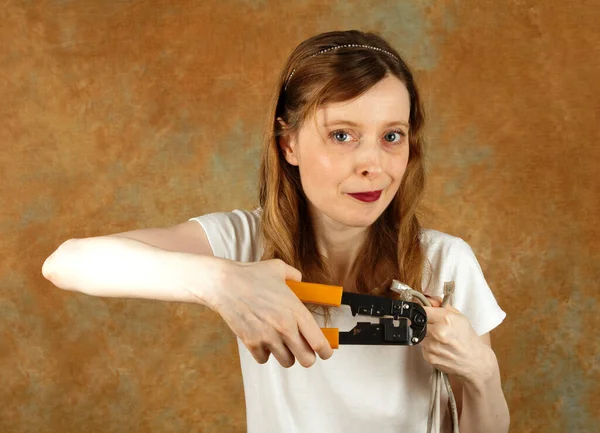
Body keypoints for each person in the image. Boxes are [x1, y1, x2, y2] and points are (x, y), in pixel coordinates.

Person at [42, 30, 510, 433]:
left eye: (392, 136)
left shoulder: (447, 262)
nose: (374, 165)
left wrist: (482, 374)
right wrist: (223, 281)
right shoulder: (244, 242)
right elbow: (67, 262)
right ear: (288, 143)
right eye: (342, 135)